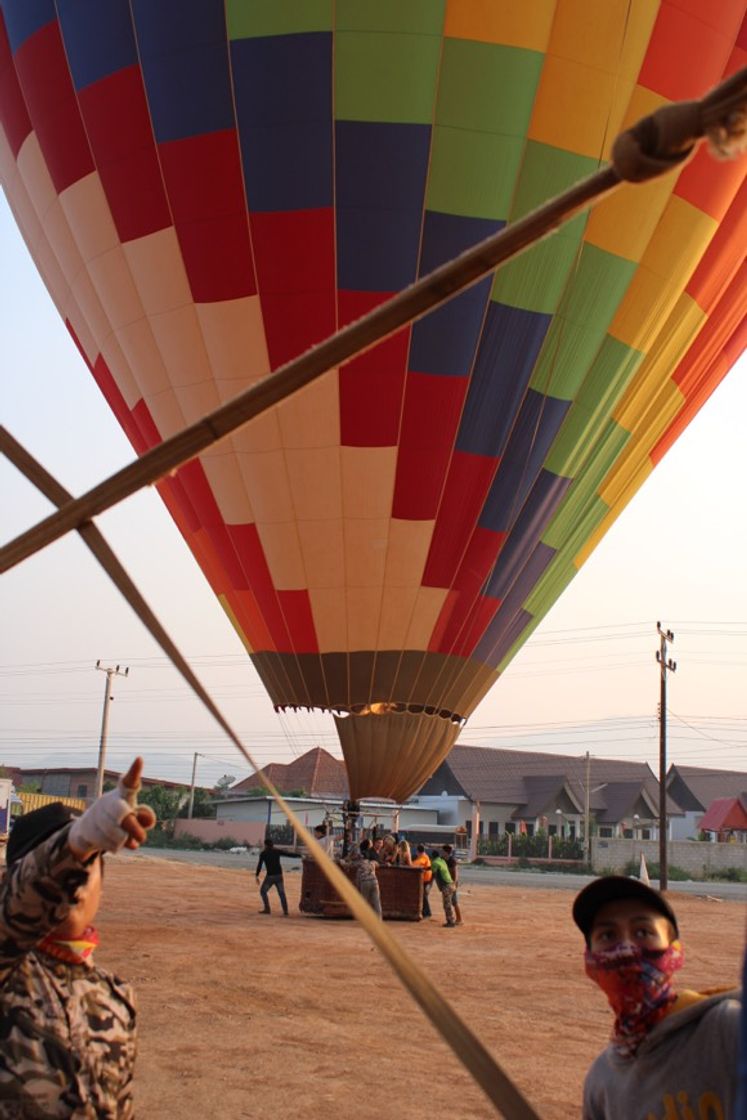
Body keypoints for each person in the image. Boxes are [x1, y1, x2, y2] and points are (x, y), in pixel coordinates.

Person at [0, 757, 156, 1118]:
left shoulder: (115, 998)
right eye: (68, 864)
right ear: (11, 882)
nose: (77, 878)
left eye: (90, 864)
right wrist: (80, 841)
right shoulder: (9, 973)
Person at [573, 875, 741, 1119]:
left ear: (675, 951)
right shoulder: (601, 1082)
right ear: (590, 960)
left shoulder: (727, 1031)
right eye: (608, 936)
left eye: (643, 932)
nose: (627, 949)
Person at [255, 837, 296, 916]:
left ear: (265, 845)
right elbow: (289, 854)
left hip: (270, 876)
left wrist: (257, 875)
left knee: (263, 891)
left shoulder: (263, 853)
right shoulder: (277, 851)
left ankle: (267, 909)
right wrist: (300, 855)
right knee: (282, 893)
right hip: (279, 875)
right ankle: (285, 911)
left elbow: (259, 865)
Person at [344, 839, 382, 918]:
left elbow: (347, 865)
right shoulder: (372, 862)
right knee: (377, 902)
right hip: (374, 881)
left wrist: (343, 862)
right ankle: (379, 919)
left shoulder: (359, 862)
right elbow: (378, 863)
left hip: (365, 882)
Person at [430, 849, 457, 927]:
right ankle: (451, 920)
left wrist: (429, 884)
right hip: (451, 884)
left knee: (447, 905)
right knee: (448, 904)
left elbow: (433, 874)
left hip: (446, 886)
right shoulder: (442, 861)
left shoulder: (434, 863)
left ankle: (451, 922)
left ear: (432, 857)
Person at [442, 844, 463, 925]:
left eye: (443, 851)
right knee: (453, 902)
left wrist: (454, 883)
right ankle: (458, 919)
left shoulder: (452, 861)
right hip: (449, 883)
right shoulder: (444, 860)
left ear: (446, 852)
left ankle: (459, 919)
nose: (442, 853)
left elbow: (455, 873)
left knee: (454, 902)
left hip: (452, 884)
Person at [411, 844, 433, 918]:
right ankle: (425, 911)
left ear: (418, 851)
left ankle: (427, 912)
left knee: (423, 896)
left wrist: (410, 864)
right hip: (426, 879)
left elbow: (417, 864)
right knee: (423, 896)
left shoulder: (423, 858)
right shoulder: (425, 856)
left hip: (424, 879)